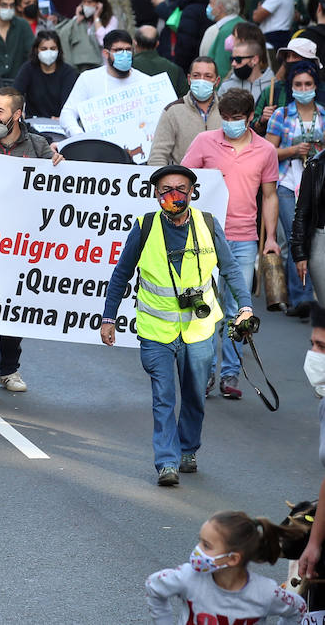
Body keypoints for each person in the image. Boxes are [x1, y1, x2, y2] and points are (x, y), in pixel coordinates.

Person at [99, 164, 254, 485]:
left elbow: (231, 270)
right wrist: (108, 317)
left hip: (198, 330)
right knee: (164, 397)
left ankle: (187, 450)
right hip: (156, 332)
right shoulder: (144, 227)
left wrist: (246, 306)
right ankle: (166, 462)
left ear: (192, 192)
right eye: (166, 190)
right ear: (156, 194)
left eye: (181, 189)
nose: (173, 196)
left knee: (195, 394)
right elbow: (120, 275)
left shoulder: (208, 225)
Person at [181, 89, 279, 399]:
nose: (230, 124)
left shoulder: (265, 151)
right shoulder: (204, 142)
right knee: (207, 308)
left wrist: (272, 238)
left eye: (237, 119)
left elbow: (269, 195)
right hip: (206, 237)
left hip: (244, 238)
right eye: (225, 118)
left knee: (240, 309)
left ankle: (231, 375)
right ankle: (206, 373)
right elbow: (182, 180)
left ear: (250, 118)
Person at [0, 88, 62, 398]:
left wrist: (59, 164)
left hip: (24, 244)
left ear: (17, 115)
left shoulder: (38, 146)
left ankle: (8, 367)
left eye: (0, 112)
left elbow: (60, 187)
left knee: (15, 308)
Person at [145, 511, 304, 625]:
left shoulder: (266, 592)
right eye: (200, 541)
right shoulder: (188, 577)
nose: (197, 550)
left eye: (206, 546)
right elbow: (154, 586)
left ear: (233, 558)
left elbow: (298, 608)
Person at [264, 63, 322, 316]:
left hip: (316, 185)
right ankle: (301, 297)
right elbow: (267, 152)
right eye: (298, 85)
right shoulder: (282, 115)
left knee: (311, 237)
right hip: (288, 182)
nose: (303, 89)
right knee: (293, 236)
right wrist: (292, 151)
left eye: (308, 84)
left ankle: (309, 293)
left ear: (315, 86)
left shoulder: (323, 114)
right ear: (291, 87)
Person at [58, 29, 148, 135]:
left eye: (128, 50)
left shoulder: (145, 81)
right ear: (106, 53)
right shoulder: (88, 79)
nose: (124, 54)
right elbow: (68, 113)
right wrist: (79, 135)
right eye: (118, 50)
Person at [148, 57, 223, 167]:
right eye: (196, 76)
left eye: (208, 76)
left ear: (217, 81)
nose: (201, 80)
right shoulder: (172, 111)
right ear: (189, 79)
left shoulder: (227, 110)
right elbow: (158, 155)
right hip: (183, 181)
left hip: (221, 181)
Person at [131, 25, 188, 98]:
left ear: (135, 43)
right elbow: (184, 97)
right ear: (157, 44)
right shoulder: (175, 69)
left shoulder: (129, 67)